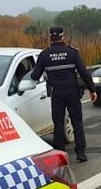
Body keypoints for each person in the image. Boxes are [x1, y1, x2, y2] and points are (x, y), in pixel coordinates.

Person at [31, 26, 97, 162]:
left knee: (58, 123)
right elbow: (84, 73)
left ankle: (61, 155)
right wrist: (92, 90)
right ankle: (80, 152)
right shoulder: (72, 53)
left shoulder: (44, 55)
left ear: (50, 38)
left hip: (57, 94)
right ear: (63, 36)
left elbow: (35, 75)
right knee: (77, 122)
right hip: (72, 92)